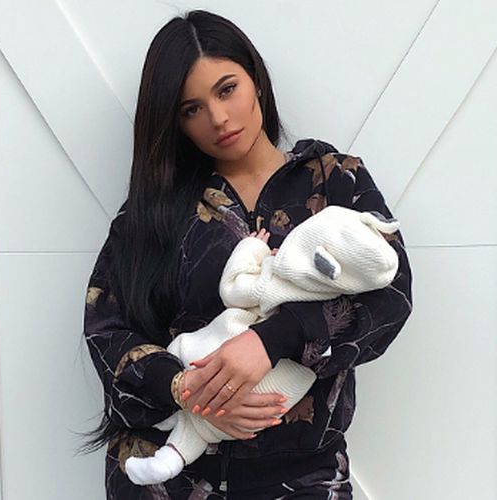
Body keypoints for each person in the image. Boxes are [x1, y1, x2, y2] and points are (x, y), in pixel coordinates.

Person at [79, 9, 413, 499]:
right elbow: (106, 328)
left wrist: (274, 339)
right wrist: (187, 391)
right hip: (167, 478)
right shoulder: (153, 211)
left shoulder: (334, 181)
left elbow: (391, 294)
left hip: (303, 475)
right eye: (191, 109)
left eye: (227, 89)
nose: (217, 118)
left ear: (256, 79)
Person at [125, 207, 401, 485]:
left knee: (193, 391)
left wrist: (253, 248)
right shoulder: (334, 291)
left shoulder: (275, 282)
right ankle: (172, 455)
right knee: (204, 427)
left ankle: (170, 445)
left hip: (291, 462)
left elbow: (233, 289)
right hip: (274, 403)